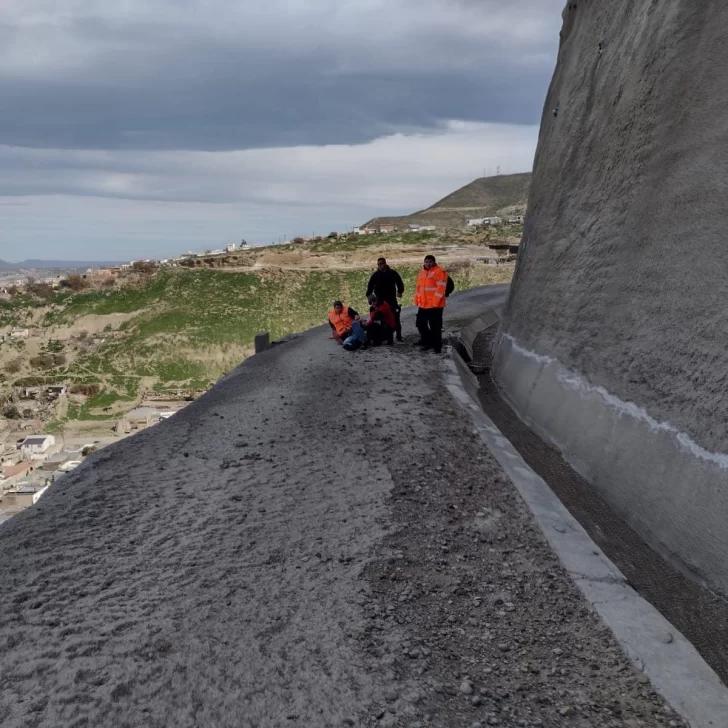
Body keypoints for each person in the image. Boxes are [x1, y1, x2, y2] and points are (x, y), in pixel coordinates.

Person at [414, 255, 454, 354]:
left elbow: (441, 289)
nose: (428, 263)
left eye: (430, 262)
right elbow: (419, 288)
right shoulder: (422, 273)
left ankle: (437, 347)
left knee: (435, 327)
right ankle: (426, 341)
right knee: (420, 324)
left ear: (434, 262)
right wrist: (417, 300)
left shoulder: (439, 272)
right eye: (426, 261)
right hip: (423, 305)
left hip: (435, 306)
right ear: (424, 262)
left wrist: (435, 303)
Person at [366, 257, 405, 341]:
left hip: (391, 299)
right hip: (380, 301)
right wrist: (369, 297)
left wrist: (400, 291)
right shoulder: (375, 275)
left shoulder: (392, 273)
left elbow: (399, 282)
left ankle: (399, 335)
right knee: (379, 318)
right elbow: (370, 287)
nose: (380, 265)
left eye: (381, 263)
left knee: (396, 317)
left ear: (385, 263)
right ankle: (383, 336)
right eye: (378, 264)